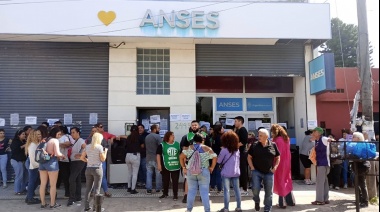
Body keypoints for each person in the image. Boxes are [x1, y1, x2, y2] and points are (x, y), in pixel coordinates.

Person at [180, 133, 217, 212]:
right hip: (203, 171)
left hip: (191, 171)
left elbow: (181, 157)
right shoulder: (207, 148)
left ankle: (189, 210)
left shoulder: (189, 148)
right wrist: (212, 167)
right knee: (204, 192)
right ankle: (207, 210)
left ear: (194, 140)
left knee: (191, 191)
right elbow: (215, 157)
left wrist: (184, 167)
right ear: (202, 140)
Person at [247, 128, 280, 212]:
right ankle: (257, 201)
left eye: (261, 136)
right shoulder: (254, 145)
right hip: (256, 171)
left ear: (266, 136)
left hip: (269, 172)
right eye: (258, 135)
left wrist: (275, 167)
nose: (259, 137)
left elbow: (278, 157)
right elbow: (249, 157)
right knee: (255, 189)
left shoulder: (273, 145)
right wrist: (252, 167)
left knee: (269, 192)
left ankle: (267, 209)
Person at [80, 132, 108, 211]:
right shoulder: (99, 147)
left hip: (88, 169)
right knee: (97, 189)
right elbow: (103, 159)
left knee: (88, 188)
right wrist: (105, 151)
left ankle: (86, 206)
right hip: (97, 169)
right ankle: (96, 208)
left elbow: (82, 158)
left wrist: (88, 160)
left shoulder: (87, 147)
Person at [39, 127, 65, 209]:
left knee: (43, 184)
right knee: (53, 185)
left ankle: (43, 203)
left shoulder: (45, 139)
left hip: (42, 163)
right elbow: (57, 153)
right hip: (51, 163)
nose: (60, 135)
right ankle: (52, 204)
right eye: (59, 134)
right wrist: (63, 156)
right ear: (55, 133)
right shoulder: (55, 140)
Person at [270, 124, 295, 209]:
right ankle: (290, 201)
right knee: (287, 179)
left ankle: (282, 202)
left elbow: (276, 154)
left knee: (280, 180)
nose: (271, 133)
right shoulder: (286, 139)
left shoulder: (276, 140)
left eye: (272, 132)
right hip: (287, 162)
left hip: (279, 163)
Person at [217, 131, 242, 212]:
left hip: (226, 173)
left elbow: (219, 161)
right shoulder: (237, 150)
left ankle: (226, 208)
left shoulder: (224, 150)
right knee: (237, 190)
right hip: (236, 172)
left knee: (226, 191)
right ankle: (238, 207)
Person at [311, 127, 333, 205]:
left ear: (319, 133)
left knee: (320, 182)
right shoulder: (317, 141)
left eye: (315, 131)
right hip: (323, 163)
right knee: (325, 181)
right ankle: (325, 198)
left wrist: (330, 139)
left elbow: (329, 139)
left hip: (323, 163)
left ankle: (320, 200)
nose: (313, 133)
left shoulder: (323, 138)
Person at [157, 131, 181, 200]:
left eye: (174, 135)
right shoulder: (162, 145)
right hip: (166, 165)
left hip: (176, 165)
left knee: (175, 181)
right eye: (172, 135)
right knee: (165, 180)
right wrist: (159, 164)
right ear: (168, 137)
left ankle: (175, 195)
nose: (174, 137)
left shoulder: (177, 144)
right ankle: (165, 193)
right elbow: (158, 155)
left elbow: (181, 154)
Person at [67, 127, 86, 206]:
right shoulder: (76, 141)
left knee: (72, 179)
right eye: (71, 133)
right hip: (75, 162)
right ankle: (78, 197)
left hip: (78, 162)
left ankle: (72, 198)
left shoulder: (81, 140)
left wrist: (81, 154)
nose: (72, 134)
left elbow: (86, 147)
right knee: (77, 179)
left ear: (78, 133)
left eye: (73, 132)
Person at [351, 132, 371, 208]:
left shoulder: (362, 145)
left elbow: (360, 156)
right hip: (357, 166)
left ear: (358, 138)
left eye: (354, 137)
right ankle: (359, 199)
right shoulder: (355, 145)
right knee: (356, 183)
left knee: (362, 184)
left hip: (362, 166)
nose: (352, 138)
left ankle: (365, 201)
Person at [24, 129, 42, 205]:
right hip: (34, 166)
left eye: (40, 134)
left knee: (36, 181)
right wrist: (38, 166)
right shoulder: (32, 145)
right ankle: (30, 198)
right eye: (38, 134)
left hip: (35, 165)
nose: (40, 135)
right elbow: (33, 158)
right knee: (32, 181)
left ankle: (29, 197)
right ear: (34, 136)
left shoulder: (36, 144)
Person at [145, 124, 162, 194]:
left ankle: (149, 189)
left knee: (149, 173)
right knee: (158, 173)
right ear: (154, 129)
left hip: (148, 158)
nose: (159, 130)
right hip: (156, 158)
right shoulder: (157, 136)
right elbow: (161, 147)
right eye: (158, 128)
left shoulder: (147, 137)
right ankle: (158, 189)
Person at [125, 125, 142, 194]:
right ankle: (133, 189)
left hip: (127, 156)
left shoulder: (128, 137)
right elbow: (142, 145)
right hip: (135, 156)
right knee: (135, 173)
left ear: (131, 130)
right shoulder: (139, 137)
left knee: (129, 172)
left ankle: (129, 187)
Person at [234, 116, 249, 196]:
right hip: (238, 153)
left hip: (242, 153)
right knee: (239, 170)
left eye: (236, 121)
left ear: (240, 122)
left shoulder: (243, 130)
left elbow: (243, 142)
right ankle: (240, 186)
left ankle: (244, 188)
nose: (234, 123)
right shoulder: (237, 130)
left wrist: (234, 146)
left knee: (243, 170)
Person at [10, 129, 28, 195]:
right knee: (19, 175)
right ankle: (17, 190)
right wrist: (23, 146)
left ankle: (23, 189)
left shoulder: (24, 141)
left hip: (23, 160)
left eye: (24, 134)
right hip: (16, 160)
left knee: (25, 176)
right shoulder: (15, 142)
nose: (24, 135)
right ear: (18, 135)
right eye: (23, 134)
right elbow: (14, 150)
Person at [57, 126, 71, 198]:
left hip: (63, 159)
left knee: (65, 176)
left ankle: (67, 192)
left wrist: (58, 144)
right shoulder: (53, 138)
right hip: (55, 160)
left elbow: (68, 144)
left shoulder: (65, 137)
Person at [210, 124, 223, 194]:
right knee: (218, 173)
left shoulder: (212, 137)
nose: (223, 129)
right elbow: (222, 148)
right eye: (222, 128)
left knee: (213, 172)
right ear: (219, 130)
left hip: (212, 156)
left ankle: (212, 187)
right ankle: (219, 189)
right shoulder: (219, 137)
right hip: (218, 157)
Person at [137, 124, 149, 188]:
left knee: (145, 169)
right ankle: (141, 182)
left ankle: (147, 182)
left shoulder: (147, 135)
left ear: (144, 128)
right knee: (139, 169)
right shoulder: (135, 135)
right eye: (138, 128)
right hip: (137, 155)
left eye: (141, 128)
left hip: (145, 155)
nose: (140, 129)